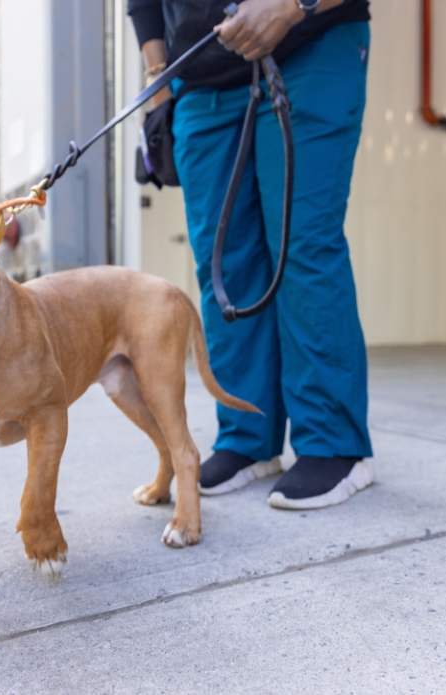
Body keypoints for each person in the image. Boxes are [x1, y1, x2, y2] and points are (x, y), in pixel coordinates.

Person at [127, 0, 374, 510]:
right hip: (199, 82)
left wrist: (294, 5)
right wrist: (159, 82)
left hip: (308, 47)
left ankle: (335, 444)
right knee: (223, 265)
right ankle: (247, 437)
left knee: (302, 245)